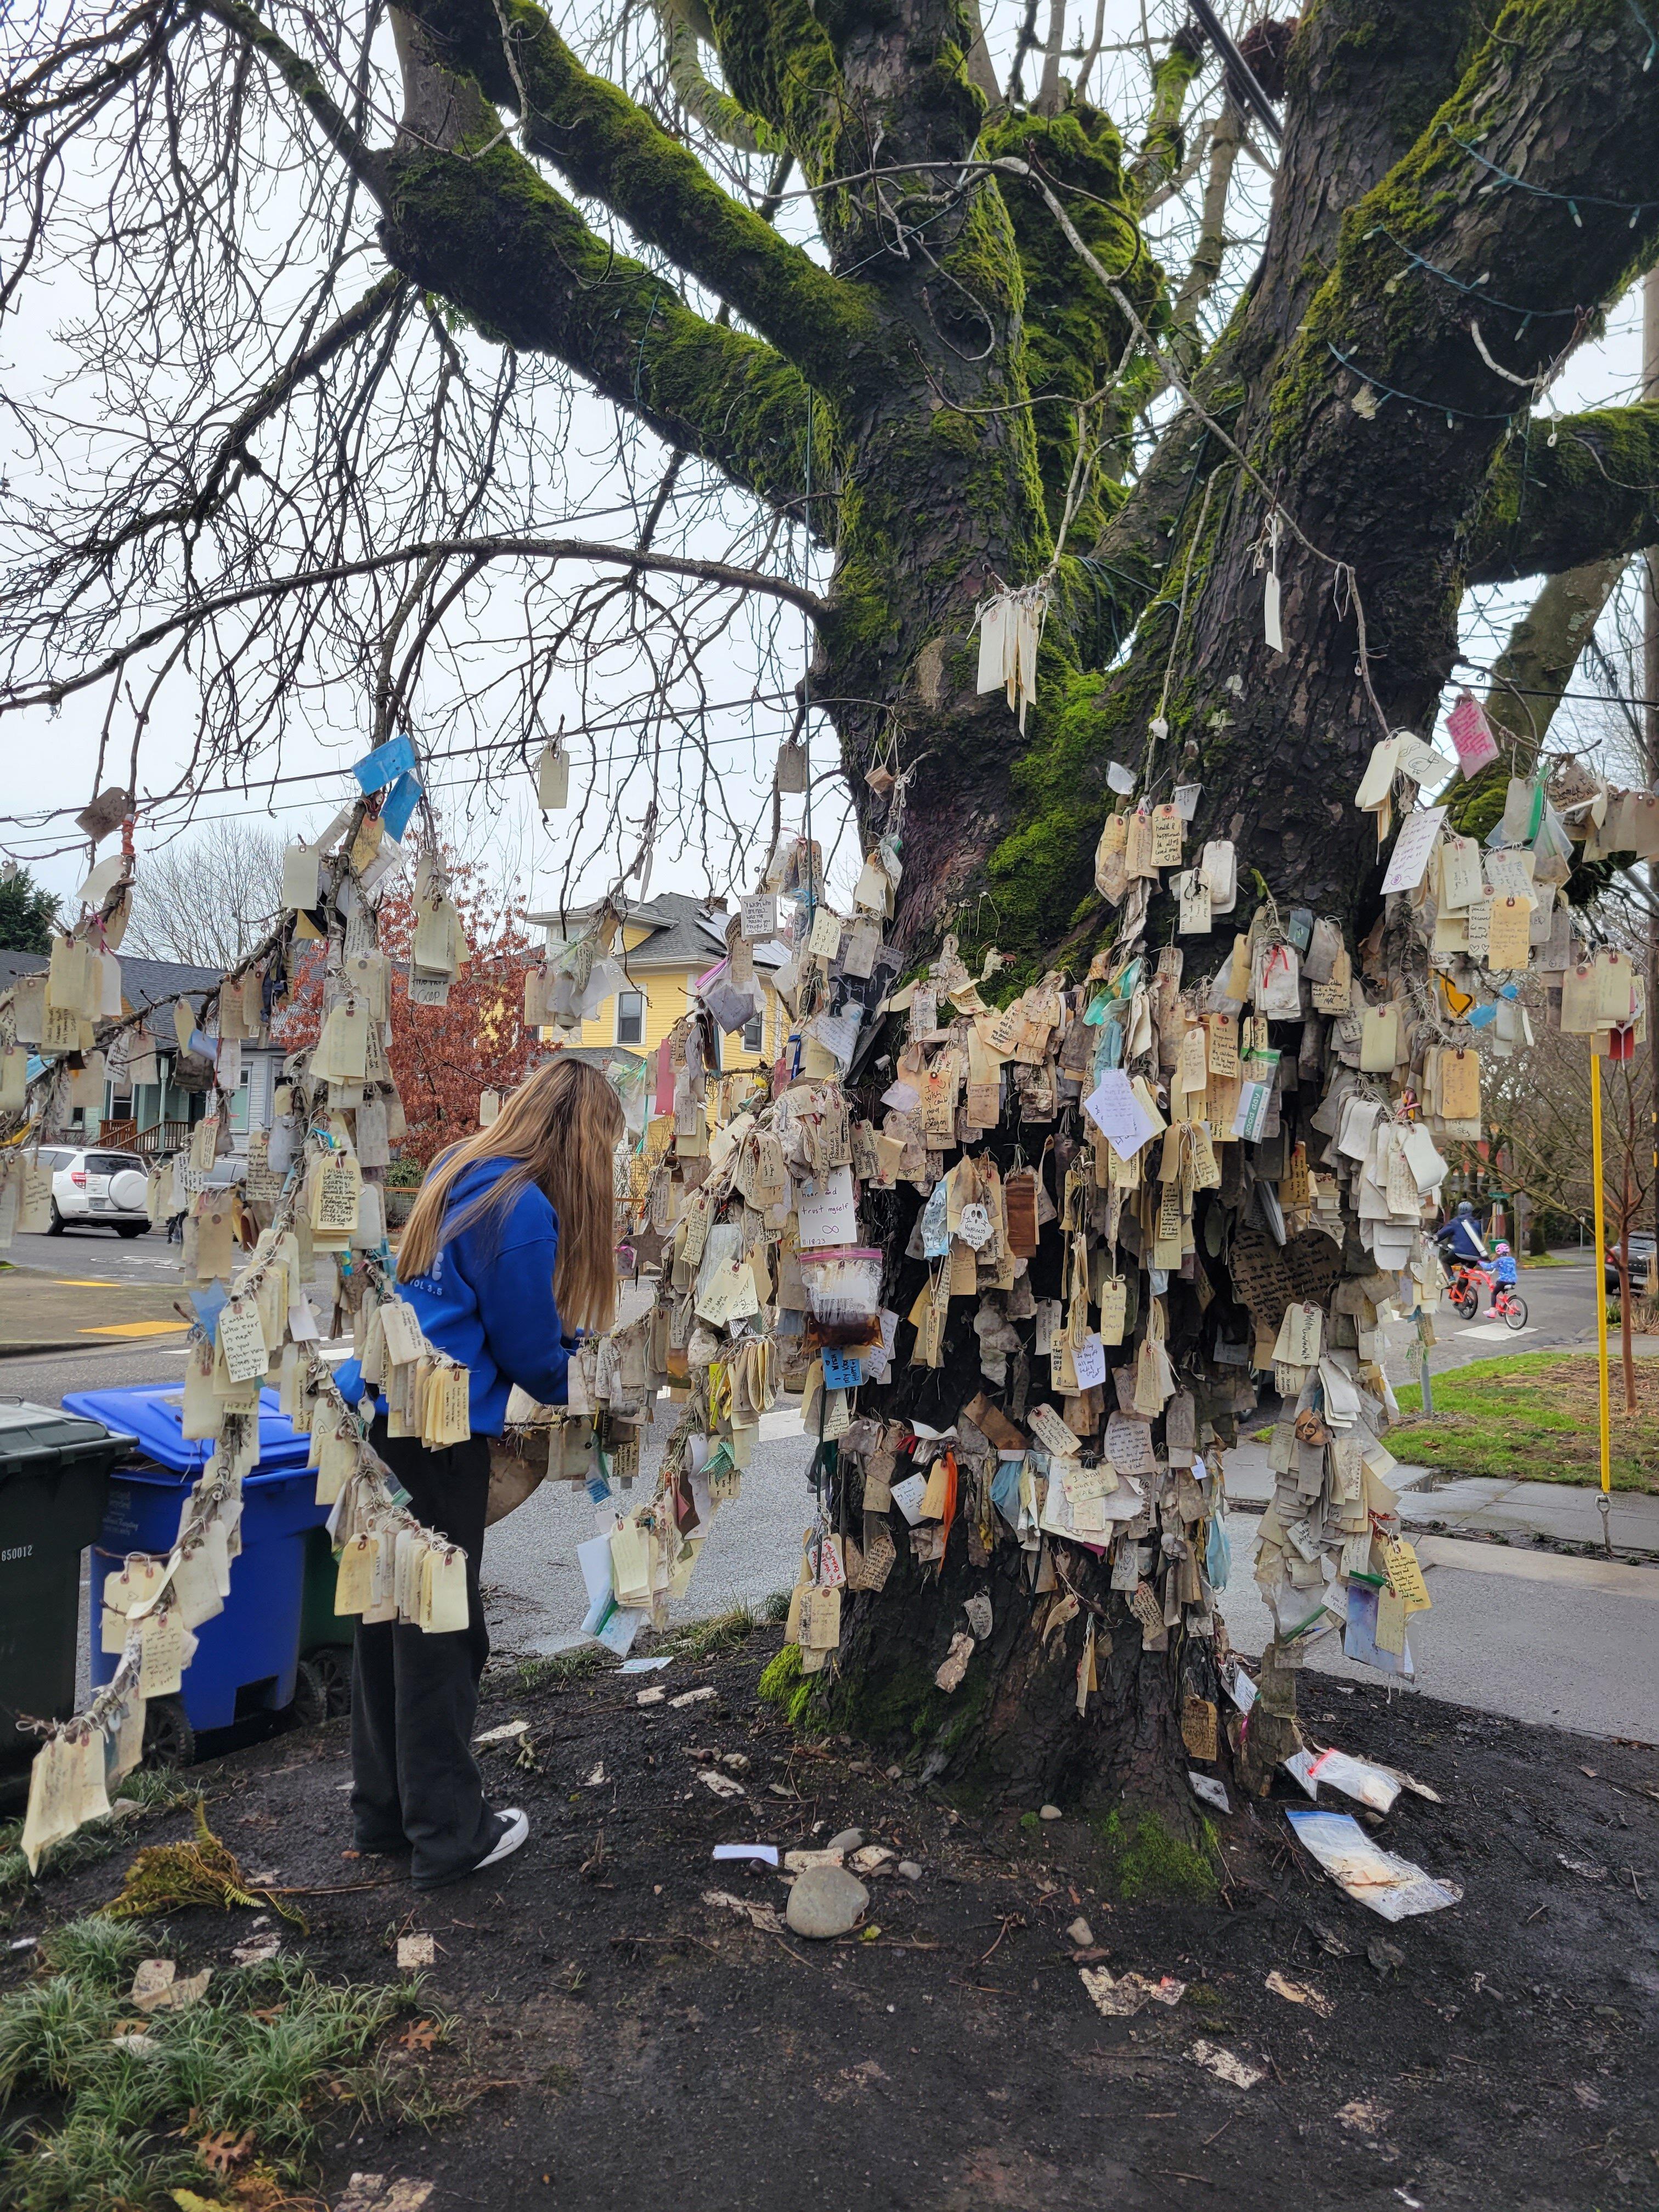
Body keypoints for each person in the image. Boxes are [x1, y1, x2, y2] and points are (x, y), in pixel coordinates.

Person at [336, 1056, 622, 1891]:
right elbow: (533, 1356)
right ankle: (450, 1836)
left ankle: (383, 1815)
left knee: (384, 1621)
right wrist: (591, 1373)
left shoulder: (458, 1171)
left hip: (382, 1416)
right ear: (583, 1137)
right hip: (439, 1430)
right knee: (442, 1636)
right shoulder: (523, 1212)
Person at [1432, 1199, 1486, 1280]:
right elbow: (1479, 1238)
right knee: (1464, 1276)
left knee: (1445, 1261)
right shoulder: (1477, 1223)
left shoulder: (1456, 1222)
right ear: (1471, 1211)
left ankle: (1451, 1279)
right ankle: (1462, 1290)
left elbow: (1443, 1234)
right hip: (1475, 1256)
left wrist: (1434, 1238)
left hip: (1459, 1253)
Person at [1486, 1239, 1518, 1318]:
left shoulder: (1499, 1260)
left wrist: (1480, 1262)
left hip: (1503, 1281)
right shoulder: (1513, 1260)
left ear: (1498, 1253)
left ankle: (1492, 1312)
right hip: (1513, 1281)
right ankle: (1510, 1304)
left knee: (1494, 1293)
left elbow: (1488, 1267)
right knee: (1503, 1290)